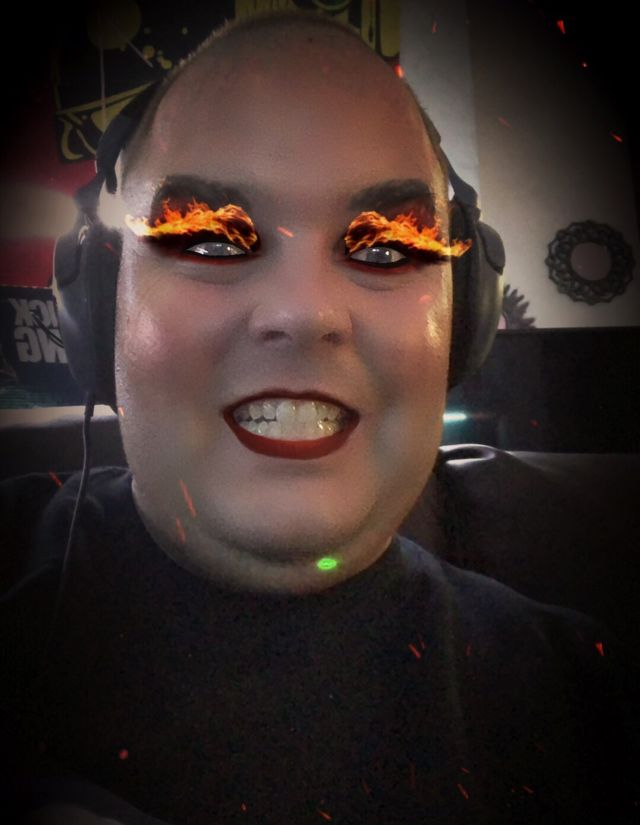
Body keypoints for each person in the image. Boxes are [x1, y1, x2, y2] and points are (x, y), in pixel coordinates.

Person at [1, 8, 638, 825]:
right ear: (100, 298)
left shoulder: (592, 709)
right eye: (211, 239)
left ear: (465, 316)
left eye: (386, 247)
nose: (304, 313)